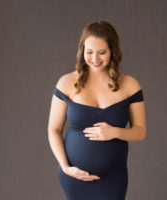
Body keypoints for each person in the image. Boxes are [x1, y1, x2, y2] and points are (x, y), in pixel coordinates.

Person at [47, 20, 146, 200]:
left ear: (113, 52)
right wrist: (66, 167)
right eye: (89, 52)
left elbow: (140, 132)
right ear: (82, 50)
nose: (95, 59)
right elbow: (53, 130)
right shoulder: (66, 83)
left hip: (113, 177)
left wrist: (114, 132)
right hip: (75, 176)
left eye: (102, 52)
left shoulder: (130, 85)